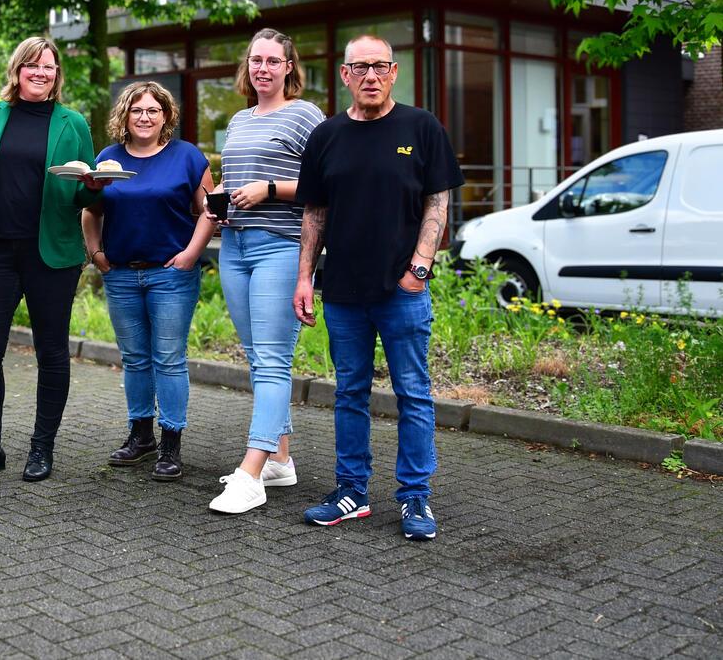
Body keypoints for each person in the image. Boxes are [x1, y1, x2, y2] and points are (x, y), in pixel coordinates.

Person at [294, 34, 463, 540]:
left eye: (380, 66)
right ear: (344, 76)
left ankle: (415, 498)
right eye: (359, 67)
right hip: (343, 290)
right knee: (349, 392)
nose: (370, 75)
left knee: (413, 393)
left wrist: (421, 267)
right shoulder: (326, 136)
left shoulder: (421, 127)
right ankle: (351, 492)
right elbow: (315, 213)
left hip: (401, 290)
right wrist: (305, 275)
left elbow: (438, 202)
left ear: (394, 73)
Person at [0, 36, 105, 481]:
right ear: (17, 70)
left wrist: (92, 187)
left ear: (57, 76)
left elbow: (83, 188)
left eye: (50, 68)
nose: (41, 73)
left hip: (51, 253)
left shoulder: (72, 123)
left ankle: (42, 448)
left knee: (52, 351)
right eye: (33, 66)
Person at [206, 28, 326, 515]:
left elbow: (326, 185)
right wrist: (222, 205)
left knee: (273, 359)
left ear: (289, 67)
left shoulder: (305, 115)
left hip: (281, 246)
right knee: (257, 357)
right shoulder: (238, 119)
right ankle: (280, 460)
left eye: (273, 61)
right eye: (256, 60)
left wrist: (269, 189)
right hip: (234, 244)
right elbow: (237, 181)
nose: (263, 68)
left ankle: (250, 475)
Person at [82, 82, 215, 481]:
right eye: (136, 110)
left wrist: (191, 255)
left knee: (169, 358)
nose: (144, 117)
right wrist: (96, 255)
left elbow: (209, 210)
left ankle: (171, 443)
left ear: (166, 116)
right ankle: (141, 437)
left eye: (152, 111)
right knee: (135, 359)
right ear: (124, 116)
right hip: (121, 274)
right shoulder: (108, 159)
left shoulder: (187, 157)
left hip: (170, 275)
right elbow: (91, 212)